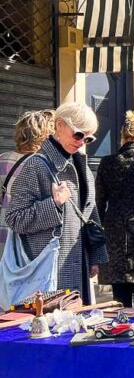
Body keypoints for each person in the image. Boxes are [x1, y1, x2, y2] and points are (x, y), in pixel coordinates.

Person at [7, 103, 108, 304]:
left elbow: (90, 214)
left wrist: (95, 255)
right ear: (59, 125)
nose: (81, 142)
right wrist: (53, 204)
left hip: (78, 267)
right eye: (78, 135)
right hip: (47, 274)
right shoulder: (36, 165)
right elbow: (14, 218)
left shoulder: (82, 167)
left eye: (88, 138)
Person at [95, 111, 134, 309]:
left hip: (115, 233)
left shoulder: (108, 162)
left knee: (119, 296)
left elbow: (99, 203)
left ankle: (121, 333)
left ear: (123, 136)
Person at [0, 110, 55, 258]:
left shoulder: (3, 160)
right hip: (31, 247)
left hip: (3, 241)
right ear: (46, 136)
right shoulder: (47, 166)